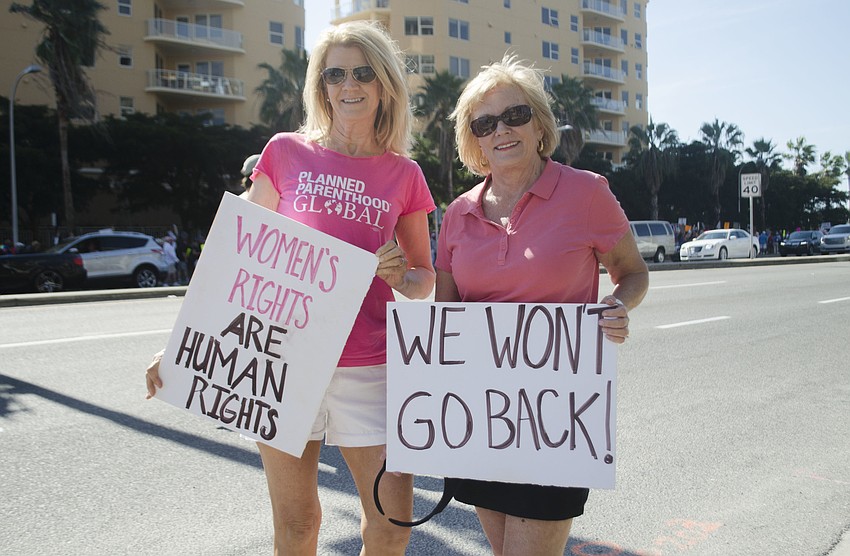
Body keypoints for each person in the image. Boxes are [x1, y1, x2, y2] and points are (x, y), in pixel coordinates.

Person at [144, 20, 436, 555]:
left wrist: (400, 276)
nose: (349, 84)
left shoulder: (405, 175)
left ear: (385, 84)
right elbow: (235, 264)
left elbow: (423, 280)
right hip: (280, 361)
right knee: (298, 525)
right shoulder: (284, 152)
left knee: (392, 525)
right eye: (335, 74)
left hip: (369, 365)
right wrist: (184, 345)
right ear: (321, 85)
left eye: (363, 72)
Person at [436, 55, 649, 556]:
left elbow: (633, 273)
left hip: (556, 418)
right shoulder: (457, 214)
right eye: (485, 123)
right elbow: (444, 321)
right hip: (482, 418)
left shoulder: (587, 193)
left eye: (514, 115)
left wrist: (618, 306)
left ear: (538, 124)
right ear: (474, 139)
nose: (501, 131)